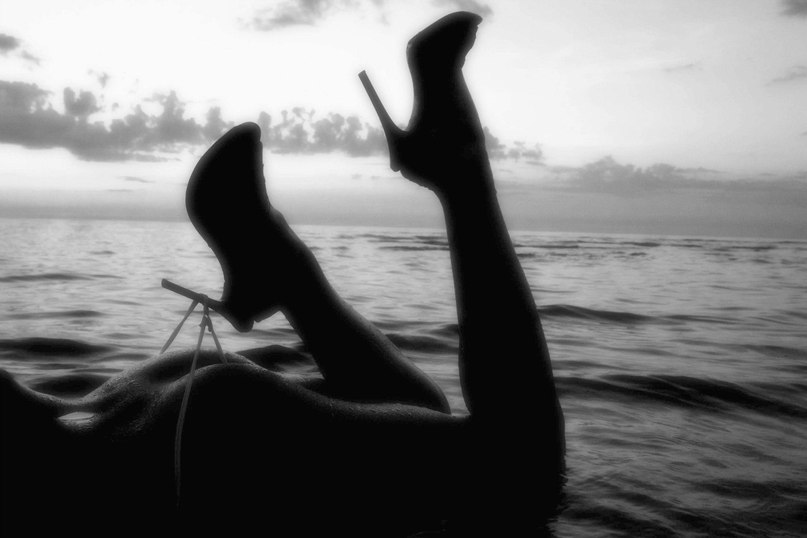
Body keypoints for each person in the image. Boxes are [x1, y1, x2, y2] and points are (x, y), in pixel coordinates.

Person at [0, 11, 564, 536]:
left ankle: (281, 269)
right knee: (511, 459)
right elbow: (523, 468)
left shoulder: (142, 413)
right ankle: (423, 184)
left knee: (409, 410)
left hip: (100, 430)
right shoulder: (207, 427)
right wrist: (467, 185)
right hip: (174, 448)